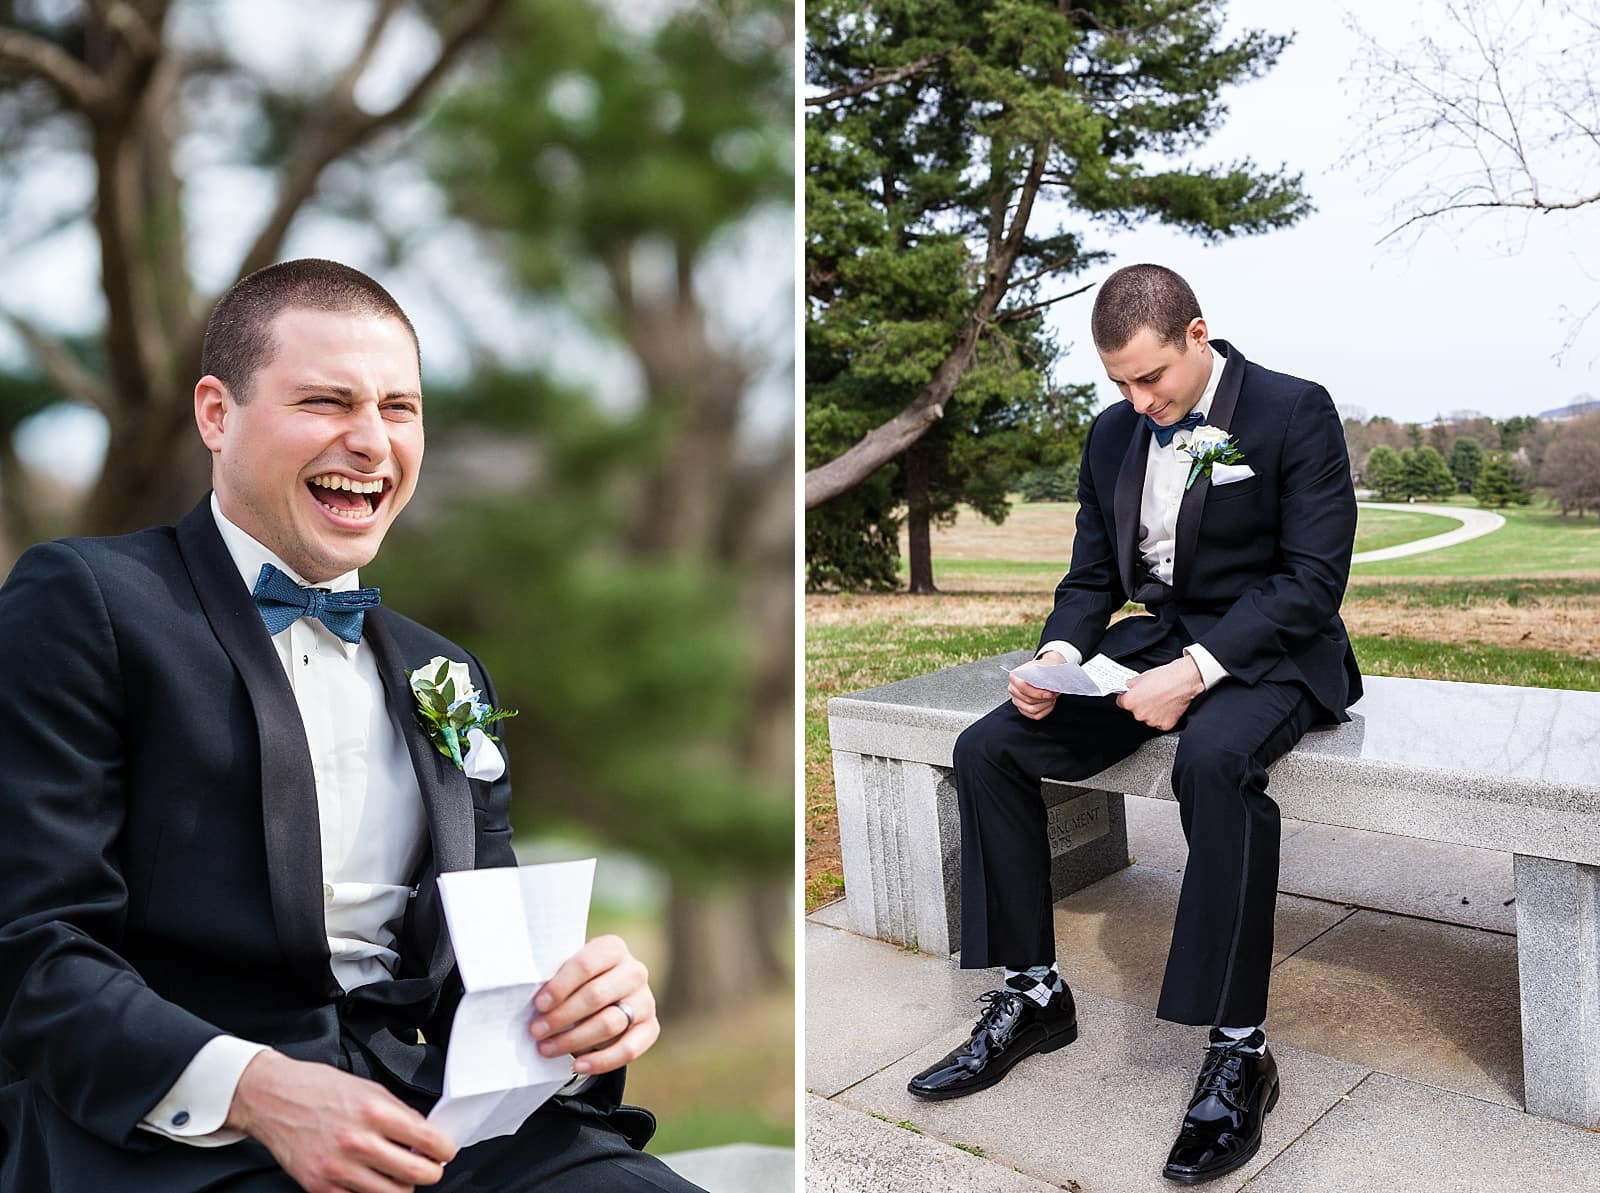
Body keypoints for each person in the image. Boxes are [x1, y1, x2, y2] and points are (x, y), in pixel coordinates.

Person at [0, 259, 708, 1193]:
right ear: (216, 414)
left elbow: (474, 970)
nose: (371, 441)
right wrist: (256, 1089)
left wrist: (575, 1021)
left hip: (429, 1124)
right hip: (174, 1142)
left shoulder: (443, 671)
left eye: (400, 408)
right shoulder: (83, 599)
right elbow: (30, 943)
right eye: (328, 400)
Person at [906, 264, 1360, 1185]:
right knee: (987, 745)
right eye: (1117, 381)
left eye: (1150, 377)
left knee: (1214, 757)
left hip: (1274, 651)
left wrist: (1196, 674)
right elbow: (1089, 580)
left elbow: (1313, 581)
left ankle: (1240, 1048)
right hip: (1151, 640)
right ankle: (1034, 993)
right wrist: (1056, 659)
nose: (1136, 398)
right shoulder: (1113, 432)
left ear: (1199, 334)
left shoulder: (1292, 409)